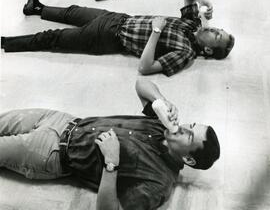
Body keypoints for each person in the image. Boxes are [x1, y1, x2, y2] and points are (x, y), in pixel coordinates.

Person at [0, 79, 220, 210]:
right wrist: (161, 100)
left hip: (50, 153)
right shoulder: (159, 125)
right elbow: (141, 83)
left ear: (188, 158)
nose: (183, 127)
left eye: (189, 135)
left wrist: (111, 163)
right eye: (190, 124)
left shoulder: (158, 183)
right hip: (62, 120)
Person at [1, 0, 235, 77]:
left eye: (216, 35)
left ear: (207, 50)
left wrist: (156, 32)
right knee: (72, 12)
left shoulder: (185, 53)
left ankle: (5, 43)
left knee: (53, 38)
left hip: (108, 38)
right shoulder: (192, 25)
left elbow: (145, 68)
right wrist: (205, 0)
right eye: (219, 29)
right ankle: (36, 8)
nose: (214, 29)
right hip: (119, 19)